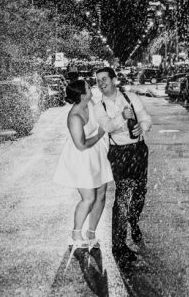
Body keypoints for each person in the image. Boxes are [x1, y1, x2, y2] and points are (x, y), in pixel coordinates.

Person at [93, 67, 152, 266]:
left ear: (114, 79)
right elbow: (108, 127)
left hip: (139, 150)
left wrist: (141, 126)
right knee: (123, 196)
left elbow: (146, 119)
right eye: (98, 80)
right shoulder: (98, 106)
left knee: (140, 192)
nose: (101, 83)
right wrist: (123, 117)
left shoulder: (132, 97)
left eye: (104, 79)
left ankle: (133, 220)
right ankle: (118, 246)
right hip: (119, 153)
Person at [53, 78, 113, 261]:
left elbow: (104, 114)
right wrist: (101, 133)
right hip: (81, 157)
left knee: (101, 193)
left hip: (96, 154)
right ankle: (75, 235)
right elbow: (81, 145)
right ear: (81, 94)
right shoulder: (75, 116)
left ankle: (91, 233)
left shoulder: (91, 103)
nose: (91, 88)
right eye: (88, 87)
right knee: (89, 198)